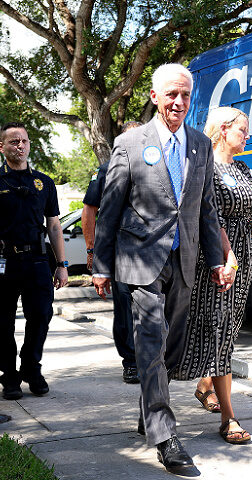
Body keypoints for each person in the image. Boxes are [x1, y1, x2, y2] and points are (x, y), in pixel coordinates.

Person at [92, 64, 225, 474]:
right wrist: (100, 265)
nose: (179, 102)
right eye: (171, 94)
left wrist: (217, 259)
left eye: (185, 95)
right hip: (138, 263)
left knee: (169, 350)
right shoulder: (130, 143)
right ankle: (166, 436)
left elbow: (204, 209)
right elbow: (110, 210)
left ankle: (147, 413)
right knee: (150, 344)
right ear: (154, 95)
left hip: (183, 262)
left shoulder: (200, 145)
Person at [172, 106, 252, 444]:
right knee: (214, 327)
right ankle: (228, 417)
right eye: (243, 130)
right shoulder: (204, 167)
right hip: (216, 259)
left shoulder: (244, 170)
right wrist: (226, 255)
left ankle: (206, 385)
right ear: (223, 129)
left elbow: (247, 217)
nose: (248, 136)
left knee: (230, 328)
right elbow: (210, 217)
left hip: (243, 256)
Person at [0, 122, 68, 401]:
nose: (20, 145)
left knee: (41, 316)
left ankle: (31, 367)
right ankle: (9, 375)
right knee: (2, 322)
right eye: (14, 141)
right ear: (1, 147)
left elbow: (54, 226)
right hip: (3, 261)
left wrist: (62, 264)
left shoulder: (43, 182)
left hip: (38, 260)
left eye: (24, 141)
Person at [82, 121, 142, 384]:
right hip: (120, 254)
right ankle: (130, 362)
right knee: (125, 308)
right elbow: (89, 212)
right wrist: (93, 251)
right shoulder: (106, 171)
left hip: (151, 253)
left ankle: (152, 359)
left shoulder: (157, 169)